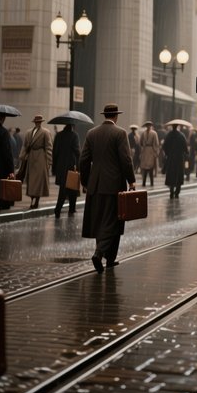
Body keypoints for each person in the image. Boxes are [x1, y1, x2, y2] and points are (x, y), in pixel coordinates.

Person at [81, 103, 136, 271]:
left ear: (104, 115)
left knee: (99, 220)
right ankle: (99, 254)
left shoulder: (91, 133)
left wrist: (85, 182)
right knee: (112, 221)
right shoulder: (120, 133)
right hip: (114, 185)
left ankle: (110, 259)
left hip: (95, 185)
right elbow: (126, 160)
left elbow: (83, 160)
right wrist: (131, 180)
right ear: (116, 116)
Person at [20, 114, 53, 208]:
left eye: (39, 122)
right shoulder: (28, 132)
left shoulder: (45, 132)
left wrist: (49, 161)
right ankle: (32, 199)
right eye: (36, 122)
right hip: (31, 158)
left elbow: (49, 147)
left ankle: (36, 200)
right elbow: (25, 145)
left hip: (41, 158)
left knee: (38, 181)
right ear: (34, 122)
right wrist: (22, 157)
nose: (37, 123)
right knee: (31, 181)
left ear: (41, 122)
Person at [53, 122, 81, 218]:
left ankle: (58, 209)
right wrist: (79, 166)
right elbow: (77, 152)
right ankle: (71, 209)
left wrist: (54, 168)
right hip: (71, 166)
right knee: (72, 188)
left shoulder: (59, 135)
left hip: (60, 167)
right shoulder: (74, 136)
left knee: (63, 189)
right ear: (72, 126)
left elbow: (55, 152)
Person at [163, 123, 189, 198]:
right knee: (179, 174)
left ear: (172, 127)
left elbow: (164, 146)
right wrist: (186, 153)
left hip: (171, 158)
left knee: (171, 174)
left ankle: (171, 191)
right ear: (177, 126)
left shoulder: (169, 135)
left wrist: (168, 153)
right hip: (179, 158)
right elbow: (185, 148)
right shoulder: (181, 135)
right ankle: (177, 192)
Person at [139, 120, 160, 186]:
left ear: (151, 126)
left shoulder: (154, 133)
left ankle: (152, 182)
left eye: (149, 125)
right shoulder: (143, 133)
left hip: (151, 150)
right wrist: (142, 148)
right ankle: (144, 182)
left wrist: (156, 152)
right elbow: (140, 142)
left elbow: (156, 143)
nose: (148, 127)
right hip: (145, 150)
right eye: (147, 125)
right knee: (144, 168)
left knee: (151, 168)